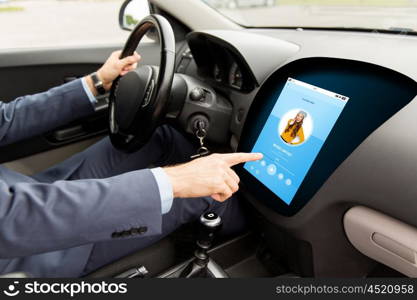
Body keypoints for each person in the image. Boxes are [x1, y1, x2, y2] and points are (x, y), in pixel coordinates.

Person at [0, 51, 262, 277]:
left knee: (162, 139)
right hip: (30, 248)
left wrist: (97, 82)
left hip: (27, 191)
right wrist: (176, 181)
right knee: (209, 194)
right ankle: (262, 245)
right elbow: (13, 217)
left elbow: (4, 120)